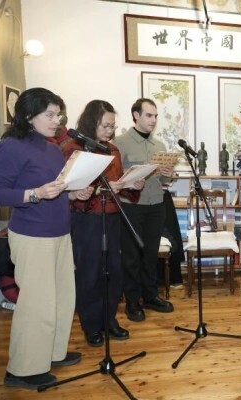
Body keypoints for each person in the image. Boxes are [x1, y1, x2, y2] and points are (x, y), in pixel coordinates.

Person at [0, 87, 93, 389]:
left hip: (60, 233)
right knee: (37, 303)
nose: (57, 120)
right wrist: (34, 194)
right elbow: (0, 191)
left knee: (63, 298)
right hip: (32, 235)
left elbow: (57, 189)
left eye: (58, 115)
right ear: (28, 115)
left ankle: (51, 353)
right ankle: (22, 370)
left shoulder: (52, 149)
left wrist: (73, 193)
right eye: (49, 115)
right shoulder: (11, 146)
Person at [62, 100, 144, 347]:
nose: (110, 131)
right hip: (87, 220)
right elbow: (68, 189)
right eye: (105, 126)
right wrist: (95, 191)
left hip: (113, 216)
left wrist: (131, 185)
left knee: (113, 273)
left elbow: (119, 185)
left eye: (112, 126)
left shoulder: (113, 151)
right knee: (90, 273)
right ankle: (91, 325)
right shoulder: (73, 149)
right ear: (91, 122)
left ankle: (109, 320)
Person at [116, 98, 174, 322]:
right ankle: (132, 302)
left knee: (150, 254)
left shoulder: (160, 145)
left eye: (155, 116)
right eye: (149, 115)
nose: (153, 120)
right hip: (131, 206)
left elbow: (164, 180)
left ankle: (150, 296)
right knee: (131, 256)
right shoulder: (119, 143)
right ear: (136, 115)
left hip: (156, 205)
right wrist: (130, 182)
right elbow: (114, 178)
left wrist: (168, 173)